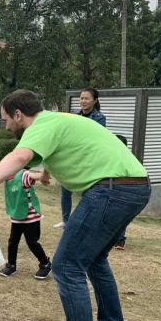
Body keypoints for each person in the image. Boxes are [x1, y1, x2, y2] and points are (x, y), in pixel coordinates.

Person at [0, 89, 150, 321]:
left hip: (110, 190)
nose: (6, 125)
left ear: (18, 114)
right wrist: (44, 175)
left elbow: (19, 158)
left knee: (66, 266)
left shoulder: (41, 125)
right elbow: (35, 162)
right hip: (135, 186)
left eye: (6, 120)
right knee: (95, 260)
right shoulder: (57, 122)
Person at [0, 167, 51, 279]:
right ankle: (11, 265)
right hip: (17, 217)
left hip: (31, 217)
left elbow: (36, 176)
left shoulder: (24, 175)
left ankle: (45, 264)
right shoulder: (6, 176)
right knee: (13, 242)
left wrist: (44, 173)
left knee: (32, 242)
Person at [54, 87, 107, 230]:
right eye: (81, 98)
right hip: (73, 158)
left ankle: (84, 221)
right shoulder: (75, 116)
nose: (83, 101)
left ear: (94, 100)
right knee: (65, 190)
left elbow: (94, 138)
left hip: (87, 161)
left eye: (86, 98)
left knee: (87, 194)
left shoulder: (99, 118)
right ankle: (65, 221)